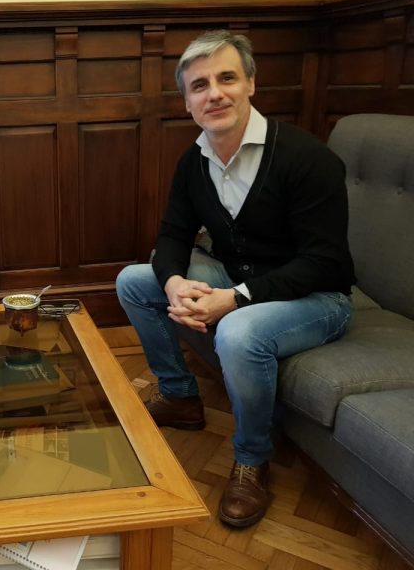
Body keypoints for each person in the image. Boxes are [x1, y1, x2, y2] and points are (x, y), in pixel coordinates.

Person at [116, 30, 355, 528]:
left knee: (238, 332)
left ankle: (251, 457)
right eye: (199, 85)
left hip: (317, 296)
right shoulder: (194, 160)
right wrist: (174, 282)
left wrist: (236, 299)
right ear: (187, 103)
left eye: (227, 78)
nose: (215, 94)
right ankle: (180, 396)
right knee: (135, 280)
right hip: (238, 277)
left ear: (250, 84)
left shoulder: (307, 158)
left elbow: (325, 262)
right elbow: (173, 234)